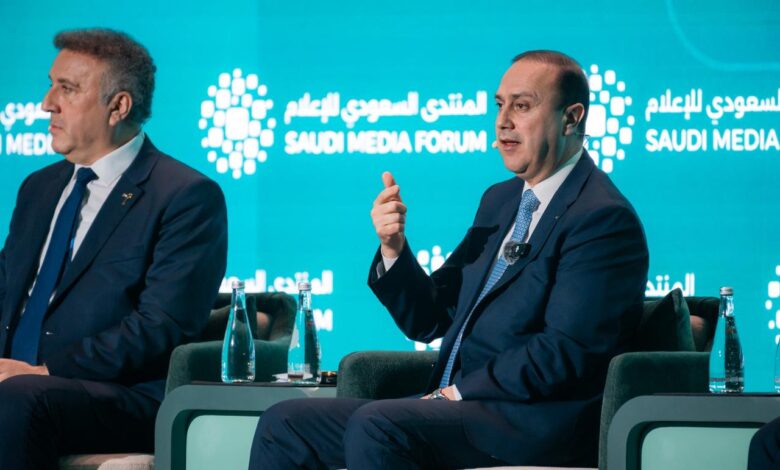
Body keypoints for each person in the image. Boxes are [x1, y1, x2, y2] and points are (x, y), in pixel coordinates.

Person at [249, 50, 648, 468]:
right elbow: (434, 317)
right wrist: (394, 249)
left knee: (379, 426)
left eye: (522, 106)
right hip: (460, 409)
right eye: (500, 105)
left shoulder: (601, 219)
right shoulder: (501, 200)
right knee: (285, 423)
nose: (503, 121)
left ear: (571, 118)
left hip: (529, 421)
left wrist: (459, 391)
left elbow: (566, 352)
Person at [0, 29, 227, 469]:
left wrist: (45, 372)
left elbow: (162, 324)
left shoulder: (184, 196)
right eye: (50, 85)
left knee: (17, 398)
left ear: (118, 106)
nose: (47, 103)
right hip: (20, 381)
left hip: (120, 394)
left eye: (67, 89)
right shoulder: (38, 188)